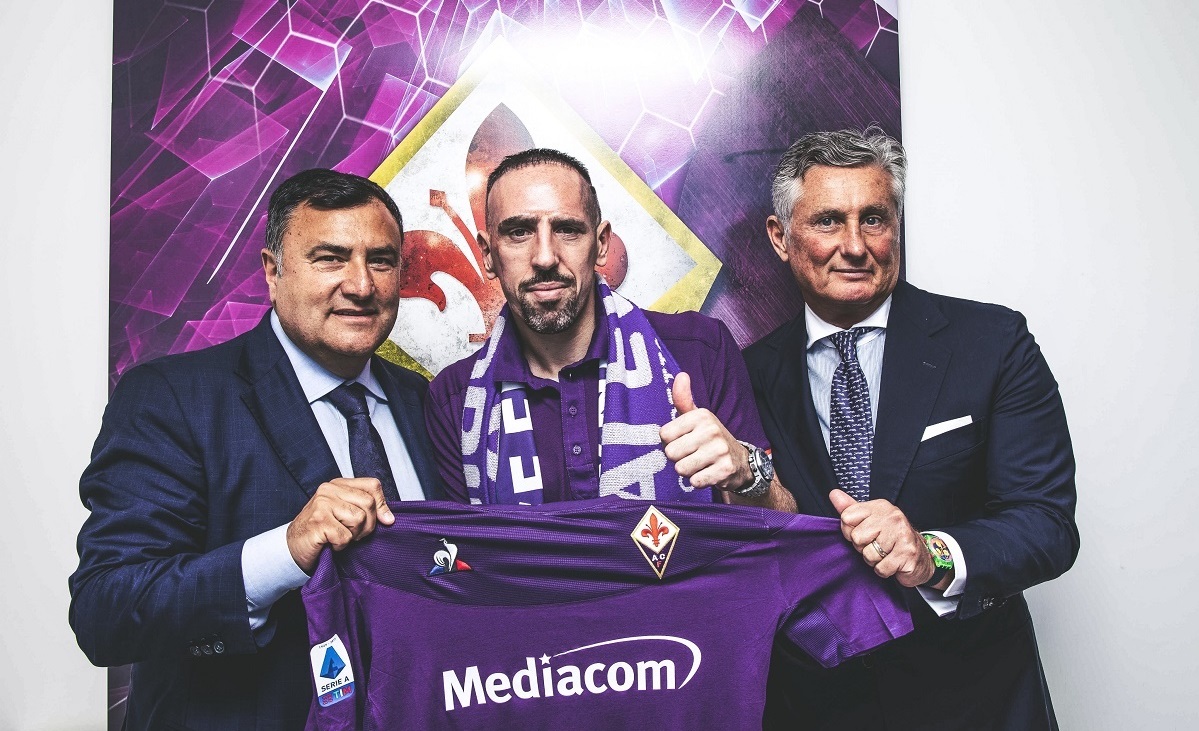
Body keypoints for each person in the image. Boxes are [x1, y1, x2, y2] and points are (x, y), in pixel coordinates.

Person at [69, 169, 445, 729]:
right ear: (273, 272)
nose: (361, 285)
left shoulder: (428, 402)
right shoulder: (173, 398)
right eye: (330, 258)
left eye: (382, 260)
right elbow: (107, 611)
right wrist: (283, 553)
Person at [743, 127, 1079, 729]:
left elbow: (1046, 523)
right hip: (817, 708)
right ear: (780, 237)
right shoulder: (748, 374)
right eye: (828, 221)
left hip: (975, 701)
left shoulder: (993, 343)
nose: (854, 246)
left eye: (873, 219)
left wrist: (932, 554)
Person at [425, 148, 793, 510]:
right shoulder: (454, 398)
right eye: (519, 232)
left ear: (601, 244)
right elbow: (464, 546)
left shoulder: (699, 349)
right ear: (488, 254)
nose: (545, 257)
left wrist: (745, 473)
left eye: (567, 230)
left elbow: (781, 525)